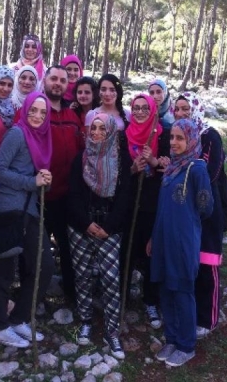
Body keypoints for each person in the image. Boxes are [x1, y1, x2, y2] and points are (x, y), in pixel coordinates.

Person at [0, 91, 54, 348]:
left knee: (43, 266)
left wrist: (44, 181)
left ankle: (18, 318)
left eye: (43, 112)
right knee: (3, 271)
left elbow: (35, 178)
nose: (37, 116)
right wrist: (31, 182)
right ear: (25, 110)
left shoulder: (43, 138)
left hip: (30, 210)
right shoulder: (17, 133)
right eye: (33, 110)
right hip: (8, 209)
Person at [149, 118, 213, 368]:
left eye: (180, 138)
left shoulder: (196, 169)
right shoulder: (172, 168)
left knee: (183, 290)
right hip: (163, 238)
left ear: (191, 140)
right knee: (166, 288)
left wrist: (185, 224)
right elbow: (163, 207)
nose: (174, 142)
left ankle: (186, 345)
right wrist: (154, 237)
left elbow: (206, 207)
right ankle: (172, 339)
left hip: (183, 241)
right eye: (172, 137)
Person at [68, 113, 132, 359]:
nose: (96, 133)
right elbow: (73, 195)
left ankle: (112, 331)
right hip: (81, 226)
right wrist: (86, 224)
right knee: (82, 275)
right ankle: (85, 320)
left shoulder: (121, 160)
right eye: (93, 128)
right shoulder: (81, 158)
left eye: (102, 129)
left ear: (111, 132)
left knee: (110, 279)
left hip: (109, 228)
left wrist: (109, 226)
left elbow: (124, 197)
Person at [175, 92, 225, 339]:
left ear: (195, 109)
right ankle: (189, 313)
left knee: (207, 263)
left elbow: (211, 173)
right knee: (188, 263)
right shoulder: (178, 135)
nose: (181, 113)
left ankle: (208, 319)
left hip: (207, 209)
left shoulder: (209, 136)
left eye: (186, 108)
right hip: (184, 210)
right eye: (177, 109)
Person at [123, 94, 170, 329]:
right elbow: (119, 170)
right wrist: (133, 169)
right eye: (136, 108)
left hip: (154, 203)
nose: (140, 112)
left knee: (152, 253)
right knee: (127, 251)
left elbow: (169, 169)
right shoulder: (124, 134)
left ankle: (150, 300)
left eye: (145, 108)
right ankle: (121, 298)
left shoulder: (162, 135)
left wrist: (154, 162)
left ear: (152, 111)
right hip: (129, 203)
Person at [39, 65, 84, 301]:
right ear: (45, 80)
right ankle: (34, 299)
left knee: (67, 246)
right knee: (37, 250)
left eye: (62, 80)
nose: (58, 83)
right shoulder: (35, 110)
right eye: (53, 78)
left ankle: (71, 295)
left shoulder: (72, 115)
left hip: (67, 195)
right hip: (40, 195)